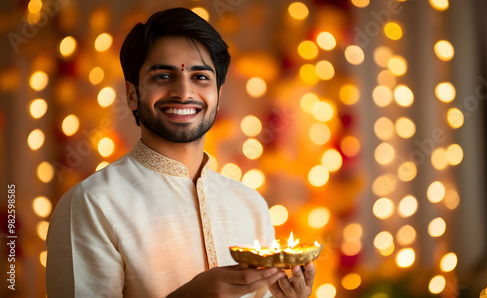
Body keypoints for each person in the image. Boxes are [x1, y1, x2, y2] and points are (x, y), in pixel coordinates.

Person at [46, 7, 315, 297]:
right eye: (163, 76)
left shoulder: (250, 205)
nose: (183, 92)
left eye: (200, 77)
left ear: (217, 96)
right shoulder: (92, 204)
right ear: (133, 94)